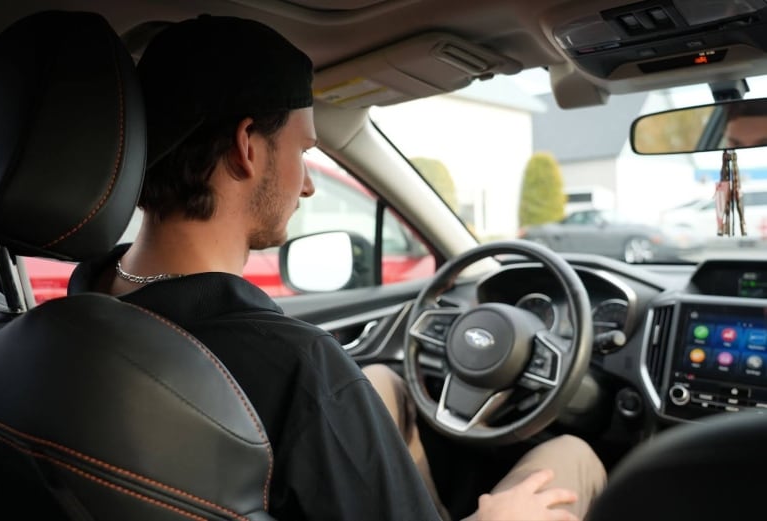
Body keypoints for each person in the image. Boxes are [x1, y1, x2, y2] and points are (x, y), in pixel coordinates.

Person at [68, 15, 605, 521]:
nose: (307, 184)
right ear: (246, 147)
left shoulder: (76, 311)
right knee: (572, 451)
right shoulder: (298, 366)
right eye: (303, 150)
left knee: (381, 382)